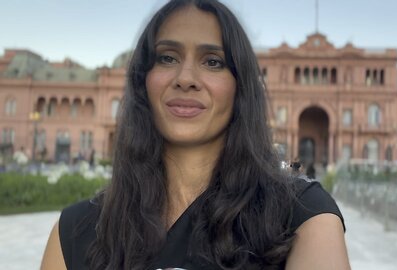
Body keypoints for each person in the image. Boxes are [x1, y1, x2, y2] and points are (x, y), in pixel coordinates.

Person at [41, 0, 350, 269]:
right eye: (167, 57)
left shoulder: (301, 215)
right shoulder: (76, 231)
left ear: (240, 86)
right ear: (142, 81)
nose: (185, 78)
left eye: (213, 62)